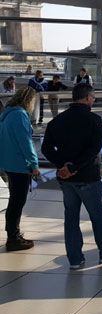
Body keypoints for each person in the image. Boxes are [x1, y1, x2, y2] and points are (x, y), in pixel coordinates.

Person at [41, 83, 102, 269]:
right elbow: (94, 150)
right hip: (89, 177)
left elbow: (46, 148)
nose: (93, 100)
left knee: (71, 219)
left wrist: (64, 166)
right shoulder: (94, 120)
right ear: (87, 98)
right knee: (99, 216)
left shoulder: (57, 121)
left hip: (66, 180)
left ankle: (75, 260)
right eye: (93, 97)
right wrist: (75, 166)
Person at [0, 87, 40, 250]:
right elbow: (26, 143)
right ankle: (13, 237)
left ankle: (13, 234)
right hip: (19, 165)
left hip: (8, 163)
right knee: (17, 201)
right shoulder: (20, 116)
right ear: (29, 101)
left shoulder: (6, 115)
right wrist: (34, 164)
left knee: (14, 200)